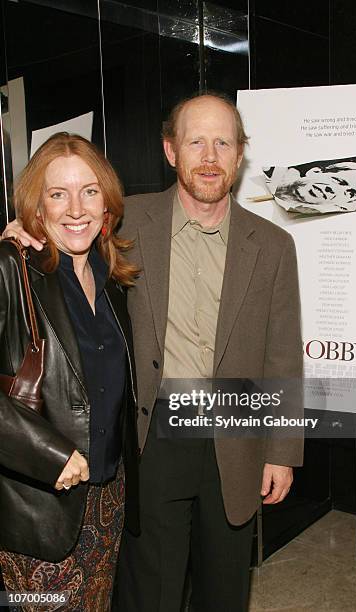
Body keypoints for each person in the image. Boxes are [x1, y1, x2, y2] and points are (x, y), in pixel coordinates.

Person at [4, 93, 303, 612]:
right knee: (151, 589)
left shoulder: (273, 244)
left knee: (224, 586)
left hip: (235, 432)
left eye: (223, 143)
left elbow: (283, 353)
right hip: (149, 437)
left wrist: (281, 450)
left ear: (239, 155)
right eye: (195, 142)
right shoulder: (124, 222)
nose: (209, 156)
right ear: (170, 151)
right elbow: (59, 227)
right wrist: (19, 232)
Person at [0, 132, 139, 612]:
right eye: (58, 193)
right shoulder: (10, 269)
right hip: (38, 508)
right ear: (37, 208)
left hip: (107, 502)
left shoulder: (112, 279)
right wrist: (51, 455)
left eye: (90, 191)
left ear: (107, 204)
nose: (76, 208)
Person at [263, 161, 356, 214]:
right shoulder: (270, 175)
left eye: (350, 194)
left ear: (344, 204)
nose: (334, 190)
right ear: (315, 172)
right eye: (338, 181)